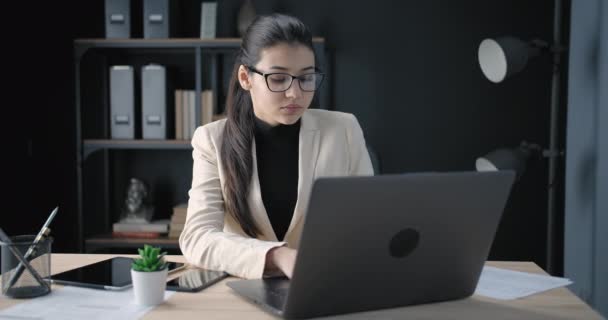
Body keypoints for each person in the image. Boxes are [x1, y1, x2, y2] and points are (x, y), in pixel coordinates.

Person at [179, 13, 373, 280]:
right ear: (246, 78)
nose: (295, 93)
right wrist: (278, 256)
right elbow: (197, 237)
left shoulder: (344, 130)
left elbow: (368, 223)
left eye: (306, 78)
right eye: (279, 79)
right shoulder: (212, 140)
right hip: (243, 290)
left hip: (325, 282)